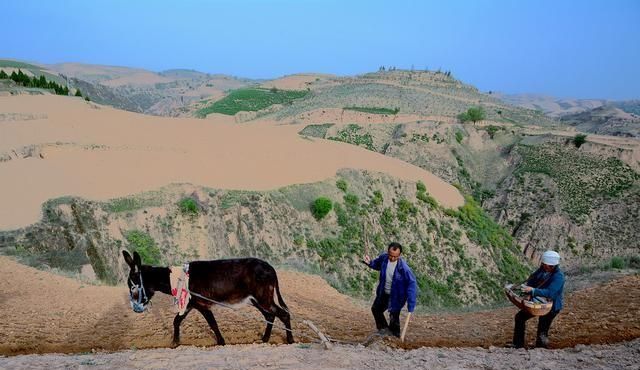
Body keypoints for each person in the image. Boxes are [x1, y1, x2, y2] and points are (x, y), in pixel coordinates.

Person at [512, 250, 565, 349]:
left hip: (552, 306)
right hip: (537, 301)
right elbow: (532, 279)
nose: (543, 265)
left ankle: (541, 349)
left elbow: (551, 293)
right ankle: (517, 345)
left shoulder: (559, 277)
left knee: (543, 328)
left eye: (545, 264)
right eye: (543, 264)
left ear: (551, 265)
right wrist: (528, 292)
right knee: (519, 317)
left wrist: (533, 291)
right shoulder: (543, 269)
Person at [363, 242, 418, 337]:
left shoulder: (404, 269)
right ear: (388, 252)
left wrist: (411, 303)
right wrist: (369, 263)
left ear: (399, 255)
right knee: (376, 309)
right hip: (383, 292)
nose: (392, 258)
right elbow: (376, 264)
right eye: (390, 255)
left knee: (394, 316)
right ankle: (384, 331)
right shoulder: (384, 258)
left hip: (397, 296)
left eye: (395, 256)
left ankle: (395, 337)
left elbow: (411, 284)